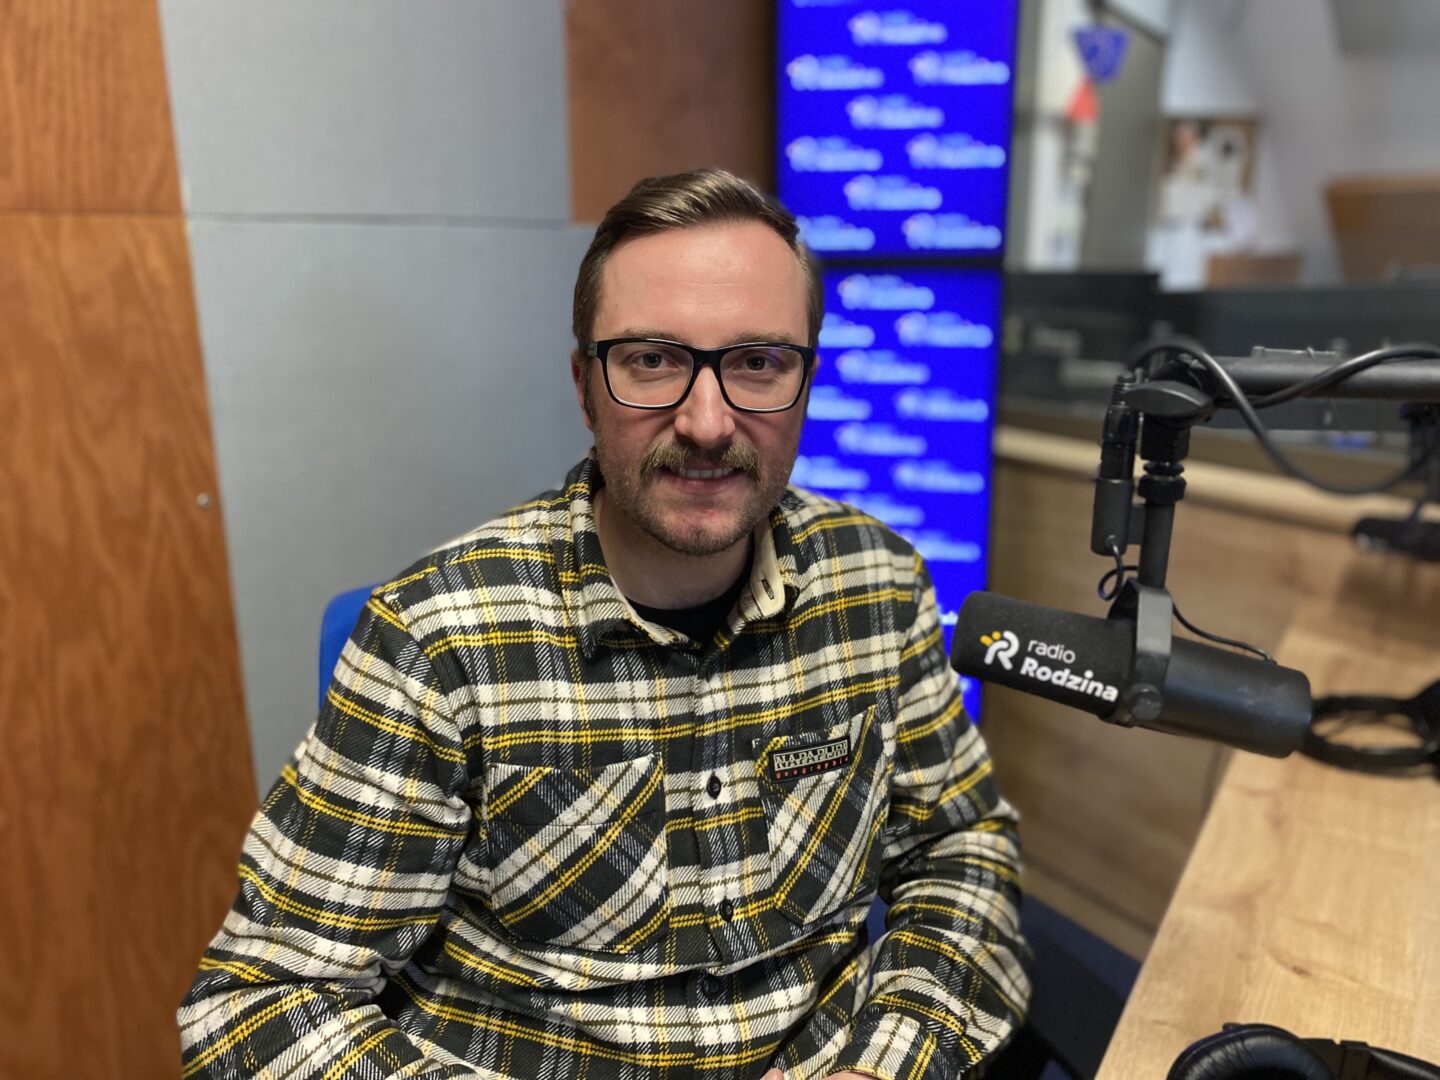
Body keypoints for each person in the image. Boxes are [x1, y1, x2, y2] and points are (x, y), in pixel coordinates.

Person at [179, 169, 1030, 1080]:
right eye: (653, 360)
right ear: (586, 386)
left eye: (757, 363)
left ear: (807, 382)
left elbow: (960, 848)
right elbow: (262, 1002)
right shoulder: (440, 640)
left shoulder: (880, 584)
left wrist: (888, 1064)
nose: (708, 423)